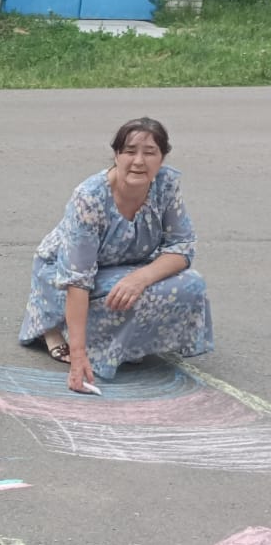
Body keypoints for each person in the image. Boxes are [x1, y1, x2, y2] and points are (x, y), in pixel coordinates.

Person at [19, 116, 214, 392]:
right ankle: (54, 328)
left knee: (191, 284)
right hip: (66, 274)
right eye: (130, 151)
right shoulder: (89, 197)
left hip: (129, 266)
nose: (139, 161)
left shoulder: (166, 185)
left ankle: (125, 342)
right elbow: (77, 279)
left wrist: (140, 278)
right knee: (131, 295)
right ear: (116, 155)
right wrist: (77, 357)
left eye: (150, 153)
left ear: (162, 158)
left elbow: (182, 247)